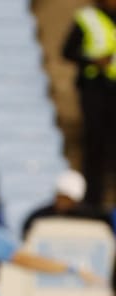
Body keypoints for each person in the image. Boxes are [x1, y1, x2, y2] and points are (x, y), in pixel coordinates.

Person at [62, 0, 116, 207]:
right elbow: (67, 51)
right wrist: (93, 60)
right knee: (95, 148)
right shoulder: (87, 18)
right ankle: (93, 204)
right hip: (95, 89)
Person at [21, 169, 111, 238]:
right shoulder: (38, 217)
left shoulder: (94, 218)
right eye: (60, 196)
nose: (63, 202)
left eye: (67, 198)